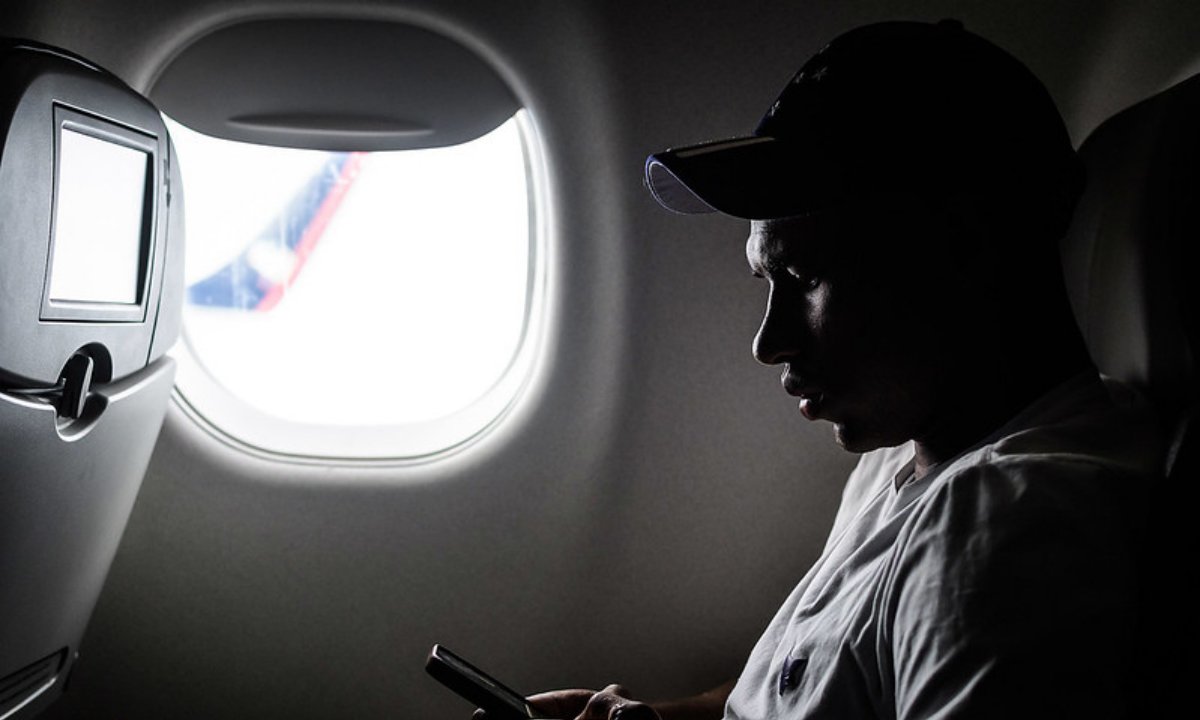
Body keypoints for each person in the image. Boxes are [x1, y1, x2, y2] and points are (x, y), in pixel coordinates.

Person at [491, 19, 1162, 719]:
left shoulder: (1000, 526)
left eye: (806, 276)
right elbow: (809, 686)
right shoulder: (905, 459)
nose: (768, 342)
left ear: (964, 247)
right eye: (767, 281)